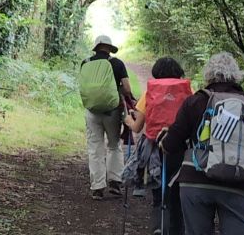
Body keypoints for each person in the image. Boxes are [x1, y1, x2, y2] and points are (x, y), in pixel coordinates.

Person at [161, 52, 244, 235]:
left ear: (208, 75)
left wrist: (163, 142)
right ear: (236, 75)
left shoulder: (195, 101)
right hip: (240, 183)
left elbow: (171, 145)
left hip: (195, 182)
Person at [125, 58, 191, 235]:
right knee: (177, 195)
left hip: (155, 148)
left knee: (158, 195)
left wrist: (128, 120)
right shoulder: (188, 92)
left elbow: (137, 127)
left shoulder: (150, 93)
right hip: (181, 148)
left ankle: (158, 227)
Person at [79, 35, 137, 200]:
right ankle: (115, 182)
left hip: (91, 110)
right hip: (112, 111)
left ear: (96, 47)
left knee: (95, 148)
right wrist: (131, 99)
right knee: (113, 145)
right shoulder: (117, 63)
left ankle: (97, 187)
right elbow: (126, 87)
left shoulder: (86, 63)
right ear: (109, 48)